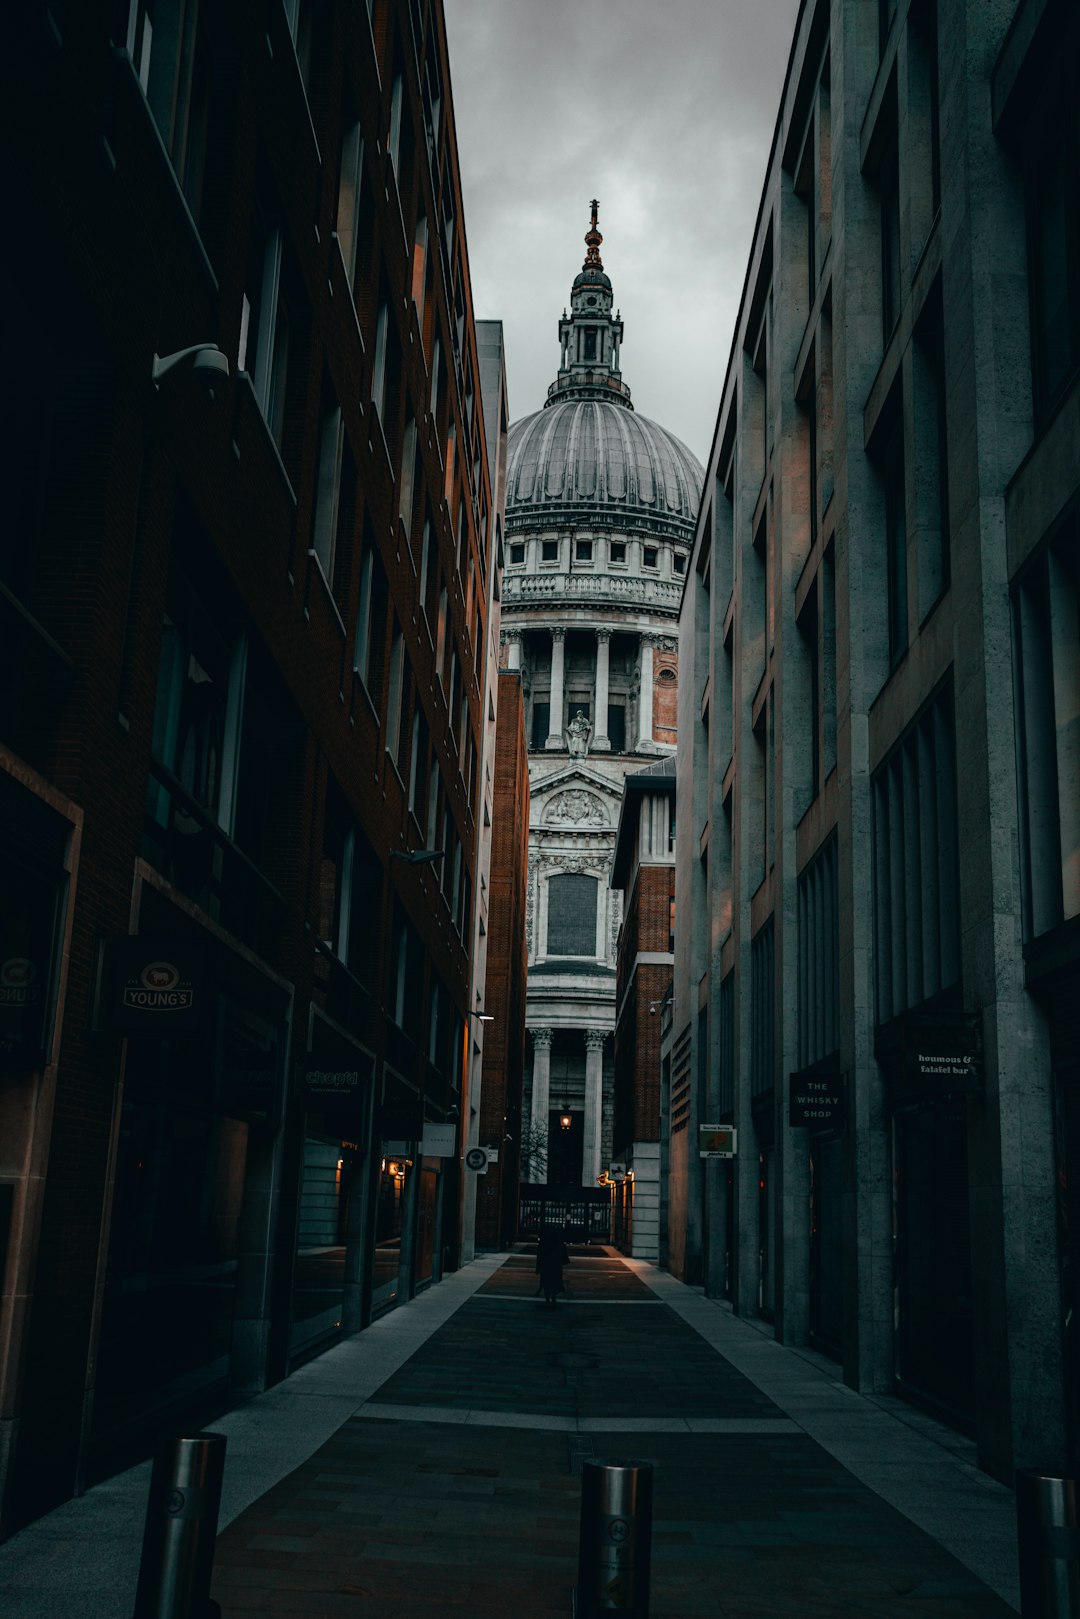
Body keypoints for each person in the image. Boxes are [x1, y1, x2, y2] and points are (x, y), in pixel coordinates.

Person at [536, 1223, 570, 1306]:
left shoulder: (544, 1242)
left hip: (546, 1264)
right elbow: (563, 1252)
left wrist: (538, 1267)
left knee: (546, 1281)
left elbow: (539, 1255)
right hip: (555, 1265)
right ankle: (553, 1297)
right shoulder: (558, 1242)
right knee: (555, 1281)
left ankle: (547, 1298)